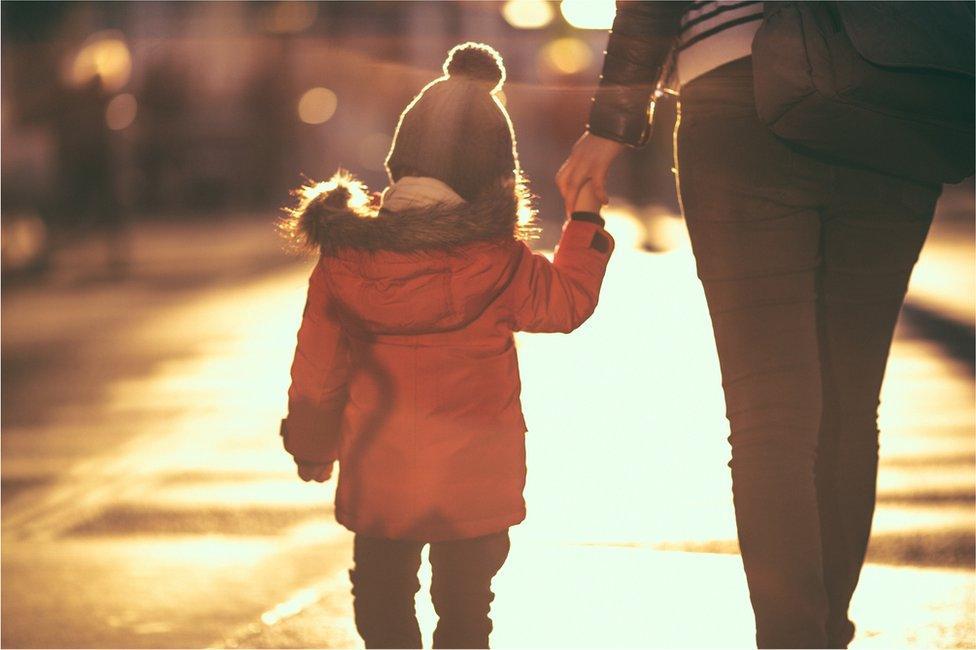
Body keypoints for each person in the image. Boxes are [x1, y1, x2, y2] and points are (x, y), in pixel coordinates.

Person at [557, 3, 941, 648]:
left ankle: (797, 637)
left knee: (773, 418)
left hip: (743, 92)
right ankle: (824, 631)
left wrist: (612, 123)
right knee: (850, 404)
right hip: (896, 95)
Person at [279, 42, 614, 649]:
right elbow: (567, 304)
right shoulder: (499, 261)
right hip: (474, 483)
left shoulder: (346, 259)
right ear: (491, 178)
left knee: (380, 598)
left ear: (399, 163)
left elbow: (317, 369)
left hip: (380, 480)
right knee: (465, 612)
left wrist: (312, 446)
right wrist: (584, 223)